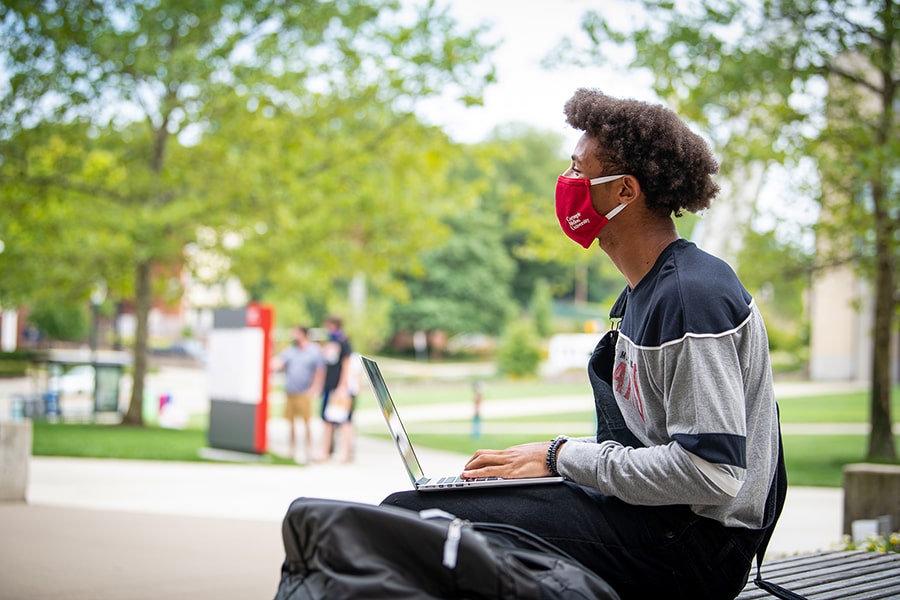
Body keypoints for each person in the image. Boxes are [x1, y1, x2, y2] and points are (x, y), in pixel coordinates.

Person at [381, 88, 784, 599]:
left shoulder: (689, 297)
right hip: (657, 524)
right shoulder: (646, 292)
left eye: (578, 169)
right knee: (432, 507)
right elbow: (655, 452)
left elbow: (711, 472)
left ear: (624, 192)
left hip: (692, 551)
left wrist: (561, 458)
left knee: (411, 518)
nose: (566, 183)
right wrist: (545, 465)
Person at [271, 326, 325, 463]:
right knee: (291, 423)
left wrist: (315, 388)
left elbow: (319, 371)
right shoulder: (291, 351)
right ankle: (292, 450)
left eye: (296, 333)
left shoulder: (314, 351)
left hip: (304, 392)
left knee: (307, 423)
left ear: (304, 334)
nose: (294, 336)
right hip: (291, 391)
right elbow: (277, 363)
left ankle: (309, 451)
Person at [319, 315, 354, 463]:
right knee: (327, 420)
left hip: (339, 388)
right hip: (329, 386)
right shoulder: (330, 342)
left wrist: (342, 386)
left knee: (344, 421)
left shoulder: (344, 342)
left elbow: (346, 365)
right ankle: (325, 452)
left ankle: (346, 454)